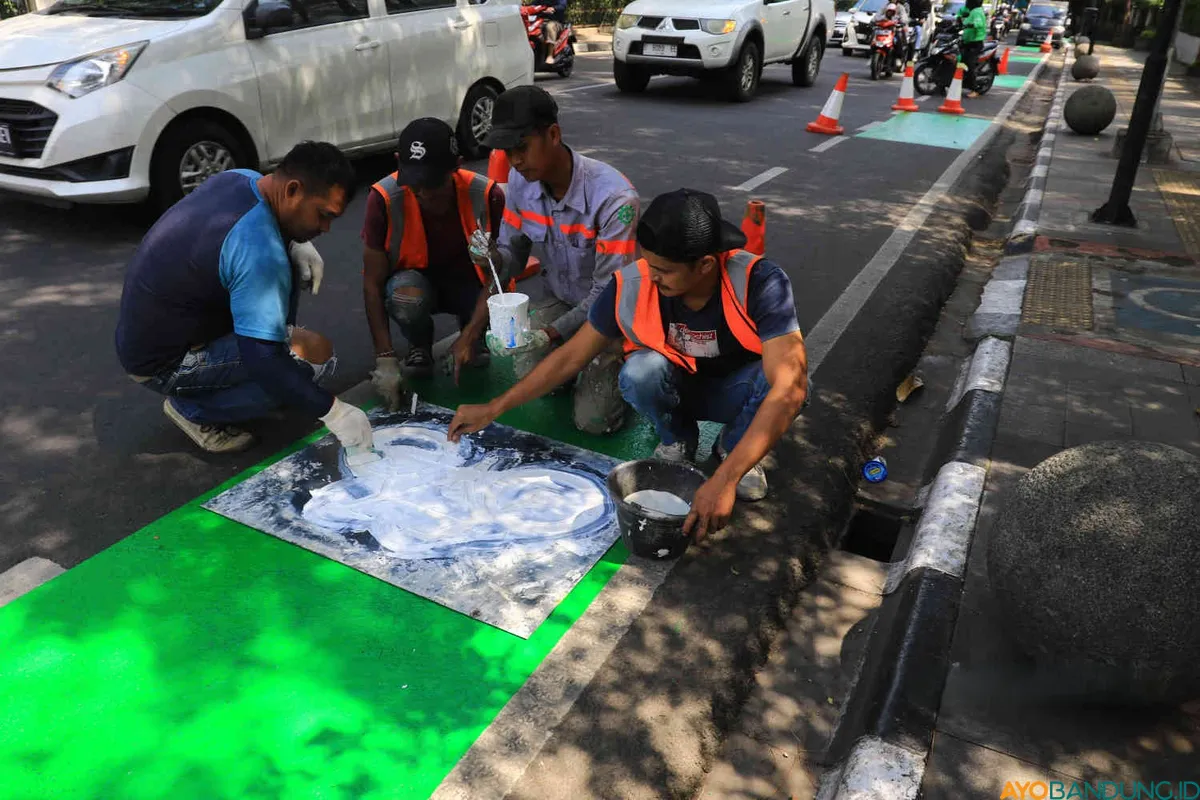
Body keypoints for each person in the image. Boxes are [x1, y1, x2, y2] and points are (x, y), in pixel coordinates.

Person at [449, 189, 810, 541]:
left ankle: (732, 448)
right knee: (639, 372)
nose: (651, 276)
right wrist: (494, 408)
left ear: (705, 265)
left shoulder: (760, 282)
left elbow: (789, 387)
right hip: (677, 387)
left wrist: (726, 479)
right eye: (648, 263)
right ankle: (677, 439)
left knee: (788, 383)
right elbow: (571, 357)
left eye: (664, 270)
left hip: (734, 390)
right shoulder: (633, 283)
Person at [115, 142, 374, 456]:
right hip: (163, 363)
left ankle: (253, 366)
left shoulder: (241, 178)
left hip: (147, 337)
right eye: (322, 215)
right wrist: (334, 412)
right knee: (310, 359)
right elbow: (263, 359)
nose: (326, 228)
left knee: (283, 267)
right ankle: (194, 410)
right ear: (292, 190)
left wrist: (292, 244)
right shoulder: (259, 250)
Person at [469, 85, 640, 435]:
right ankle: (572, 365)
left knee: (594, 422)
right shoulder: (519, 182)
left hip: (610, 318)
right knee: (528, 368)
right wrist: (489, 257)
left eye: (522, 148)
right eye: (507, 151)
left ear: (553, 134)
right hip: (563, 301)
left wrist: (550, 333)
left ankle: (619, 369)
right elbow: (512, 259)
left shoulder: (614, 198)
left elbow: (609, 295)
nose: (514, 161)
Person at [361, 118, 506, 406]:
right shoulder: (383, 199)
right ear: (398, 161)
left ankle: (472, 336)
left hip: (469, 284)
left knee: (476, 348)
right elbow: (372, 284)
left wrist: (470, 333)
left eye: (434, 183)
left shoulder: (487, 195)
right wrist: (385, 358)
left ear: (457, 166)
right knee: (404, 296)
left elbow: (496, 276)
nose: (424, 193)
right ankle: (419, 343)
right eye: (415, 183)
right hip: (415, 283)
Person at [957, 0, 988, 96]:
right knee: (958, 59)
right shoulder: (970, 10)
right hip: (967, 40)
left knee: (969, 63)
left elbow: (978, 24)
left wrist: (970, 24)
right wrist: (958, 18)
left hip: (975, 42)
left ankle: (975, 89)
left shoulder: (977, 11)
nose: (967, 2)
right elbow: (960, 12)